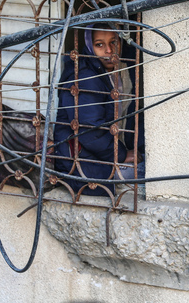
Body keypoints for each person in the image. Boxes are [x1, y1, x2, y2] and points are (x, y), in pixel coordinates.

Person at [54, 23, 144, 196]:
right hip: (81, 163)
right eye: (99, 44)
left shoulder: (113, 73)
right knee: (150, 174)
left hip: (97, 155)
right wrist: (121, 154)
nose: (109, 50)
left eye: (113, 42)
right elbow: (91, 131)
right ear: (89, 46)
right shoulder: (85, 76)